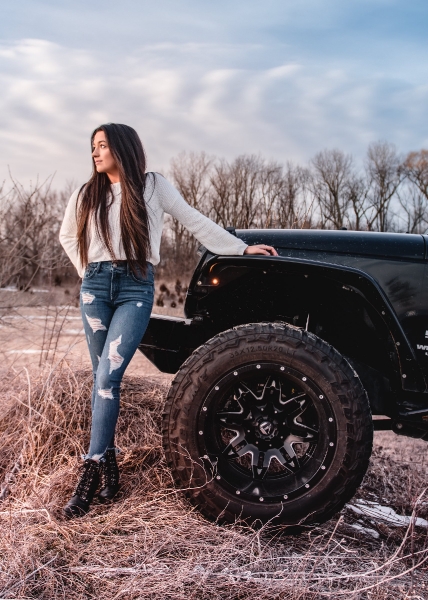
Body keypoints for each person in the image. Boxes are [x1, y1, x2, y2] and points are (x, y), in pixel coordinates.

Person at [59, 123, 278, 518]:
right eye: (92, 147)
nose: (95, 153)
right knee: (102, 382)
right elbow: (67, 237)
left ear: (122, 148)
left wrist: (242, 248)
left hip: (135, 288)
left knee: (108, 378)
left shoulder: (152, 186)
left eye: (103, 145)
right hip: (94, 289)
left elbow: (194, 220)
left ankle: (90, 470)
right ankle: (109, 467)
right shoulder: (86, 193)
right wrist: (86, 271)